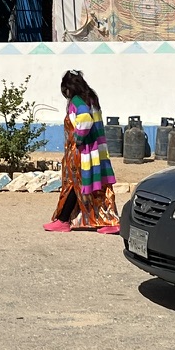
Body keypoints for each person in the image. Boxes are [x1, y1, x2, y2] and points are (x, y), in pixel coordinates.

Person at [45, 69, 120, 235]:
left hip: (82, 151)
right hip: (96, 151)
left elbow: (85, 121)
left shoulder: (77, 102)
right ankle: (108, 220)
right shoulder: (91, 98)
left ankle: (63, 220)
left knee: (74, 183)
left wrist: (77, 139)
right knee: (97, 185)